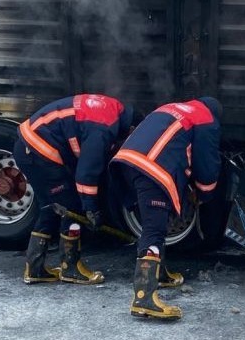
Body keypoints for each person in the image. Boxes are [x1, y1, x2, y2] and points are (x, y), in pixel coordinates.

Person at [110, 97, 222, 320]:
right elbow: (207, 165)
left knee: (157, 223)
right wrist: (205, 194)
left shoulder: (172, 108)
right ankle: (144, 298)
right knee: (154, 229)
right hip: (152, 169)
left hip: (126, 163)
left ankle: (159, 274)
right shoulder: (206, 118)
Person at [15, 94, 140, 285]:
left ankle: (35, 268)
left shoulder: (111, 110)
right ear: (131, 129)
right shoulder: (104, 128)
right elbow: (86, 174)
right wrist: (91, 209)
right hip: (38, 150)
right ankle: (70, 268)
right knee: (72, 208)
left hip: (29, 147)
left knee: (52, 208)